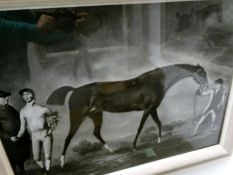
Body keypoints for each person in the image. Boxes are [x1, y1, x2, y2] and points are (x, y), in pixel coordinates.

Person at [0, 10, 72, 107]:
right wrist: (35, 28)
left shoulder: (19, 8)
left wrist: (72, 29)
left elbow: (41, 36)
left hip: (16, 79)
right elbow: (3, 27)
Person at [13, 88, 58, 174]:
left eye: (28, 94)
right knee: (36, 158)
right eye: (24, 95)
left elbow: (54, 119)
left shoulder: (43, 109)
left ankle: (47, 172)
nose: (26, 96)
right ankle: (44, 168)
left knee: (47, 155)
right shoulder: (23, 111)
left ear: (32, 94)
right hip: (34, 136)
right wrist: (18, 136)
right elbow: (22, 128)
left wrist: (51, 131)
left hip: (45, 134)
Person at [0, 90, 31, 175]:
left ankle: (22, 173)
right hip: (8, 141)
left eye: (7, 96)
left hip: (18, 138)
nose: (7, 98)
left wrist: (25, 134)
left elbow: (20, 121)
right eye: (4, 97)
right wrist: (9, 137)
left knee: (20, 160)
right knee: (11, 163)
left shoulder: (10, 108)